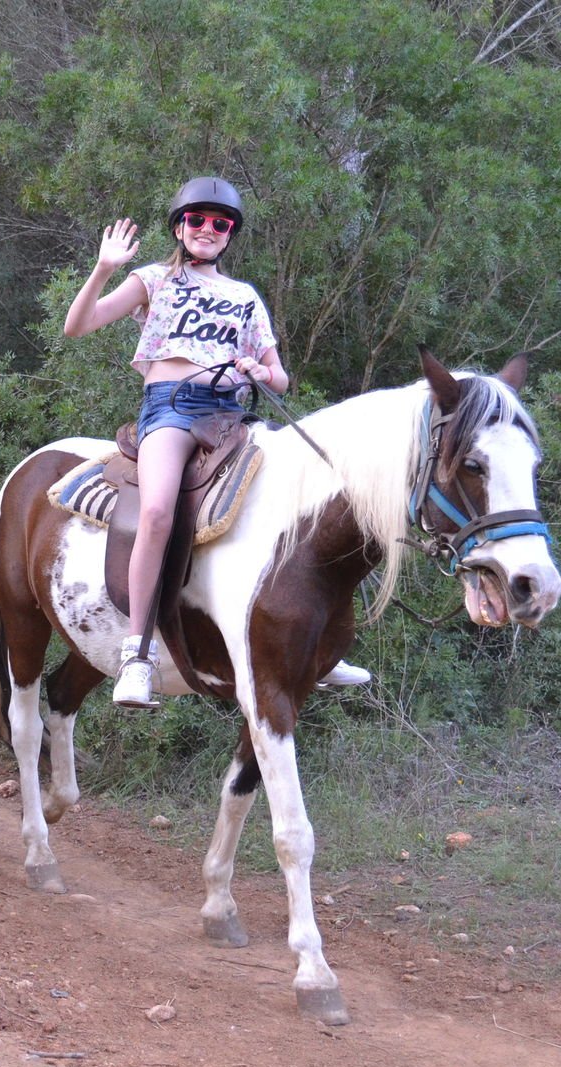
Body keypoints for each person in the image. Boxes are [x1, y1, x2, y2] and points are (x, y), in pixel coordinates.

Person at [62, 176, 370, 708]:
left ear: (230, 235)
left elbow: (280, 378)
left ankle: (321, 646)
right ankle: (137, 656)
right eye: (197, 220)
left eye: (220, 223)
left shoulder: (244, 297)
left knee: (304, 497)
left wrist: (259, 371)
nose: (208, 229)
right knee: (157, 511)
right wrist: (104, 268)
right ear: (180, 227)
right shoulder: (154, 279)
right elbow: (78, 325)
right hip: (172, 409)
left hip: (232, 414)